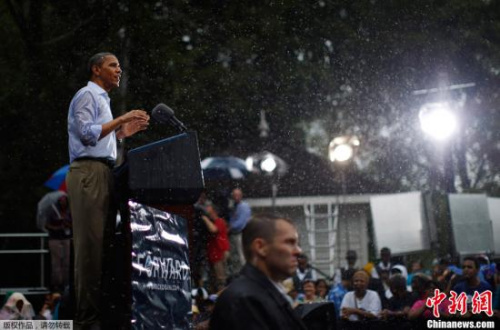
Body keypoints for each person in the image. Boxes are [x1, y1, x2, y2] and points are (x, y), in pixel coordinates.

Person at [66, 52, 150, 330]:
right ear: (96, 69)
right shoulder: (86, 95)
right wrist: (121, 119)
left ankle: (97, 314)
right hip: (89, 173)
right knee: (89, 250)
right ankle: (86, 320)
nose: (119, 69)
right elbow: (88, 135)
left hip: (103, 171)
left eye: (119, 65)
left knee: (101, 248)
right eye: (113, 65)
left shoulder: (102, 99)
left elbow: (99, 139)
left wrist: (123, 132)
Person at [210, 214, 307, 330]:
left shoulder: (259, 294)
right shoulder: (245, 301)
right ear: (260, 247)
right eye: (290, 242)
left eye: (297, 244)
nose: (298, 251)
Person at [45, 194, 72, 292]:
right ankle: (57, 284)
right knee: (56, 262)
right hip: (55, 238)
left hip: (66, 238)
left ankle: (66, 283)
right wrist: (56, 227)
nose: (63, 202)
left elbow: (72, 224)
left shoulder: (70, 211)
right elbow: (47, 225)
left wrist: (66, 224)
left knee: (66, 262)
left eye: (65, 200)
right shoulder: (53, 211)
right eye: (61, 200)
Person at [201, 203, 230, 291]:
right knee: (213, 279)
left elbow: (213, 229)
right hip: (213, 254)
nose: (207, 213)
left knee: (220, 278)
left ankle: (221, 295)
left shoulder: (219, 221)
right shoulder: (214, 221)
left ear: (214, 212)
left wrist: (205, 219)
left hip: (219, 253)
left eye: (209, 211)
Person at [227, 187, 252, 275]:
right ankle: (238, 274)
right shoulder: (234, 206)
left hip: (241, 234)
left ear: (241, 196)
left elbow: (241, 222)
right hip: (233, 234)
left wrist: (230, 227)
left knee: (241, 255)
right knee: (234, 256)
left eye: (237, 195)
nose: (236, 197)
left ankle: (246, 274)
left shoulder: (244, 206)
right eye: (234, 195)